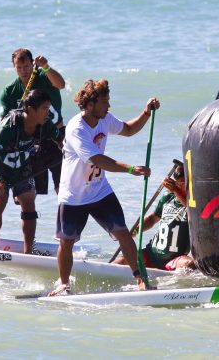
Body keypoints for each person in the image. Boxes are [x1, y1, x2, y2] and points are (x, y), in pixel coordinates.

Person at [48, 79, 160, 296]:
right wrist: (129, 169)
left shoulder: (104, 119)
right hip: (74, 196)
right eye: (104, 101)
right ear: (90, 105)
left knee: (123, 233)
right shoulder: (76, 129)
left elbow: (127, 129)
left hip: (99, 190)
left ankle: (140, 279)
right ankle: (63, 285)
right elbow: (97, 159)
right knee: (67, 242)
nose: (108, 106)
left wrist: (146, 113)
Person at [0, 89, 61, 254]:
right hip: (1, 169)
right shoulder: (9, 125)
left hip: (22, 168)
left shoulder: (44, 125)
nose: (48, 113)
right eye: (44, 109)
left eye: (48, 108)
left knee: (28, 201)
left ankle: (29, 252)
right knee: (1, 200)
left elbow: (61, 140)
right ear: (30, 109)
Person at [0, 48, 65, 196]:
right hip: (32, 142)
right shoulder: (9, 91)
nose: (23, 71)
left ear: (32, 64)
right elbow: (4, 121)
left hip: (56, 135)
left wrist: (46, 66)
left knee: (62, 187)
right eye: (19, 67)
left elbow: (61, 84)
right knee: (28, 192)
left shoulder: (44, 77)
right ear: (14, 67)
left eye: (27, 66)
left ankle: (64, 218)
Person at [113, 162, 195, 271]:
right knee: (118, 262)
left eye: (184, 184)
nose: (180, 186)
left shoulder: (194, 203)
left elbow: (192, 211)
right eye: (178, 183)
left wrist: (175, 190)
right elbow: (152, 219)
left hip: (174, 259)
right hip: (151, 253)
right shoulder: (168, 197)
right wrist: (136, 230)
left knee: (190, 265)